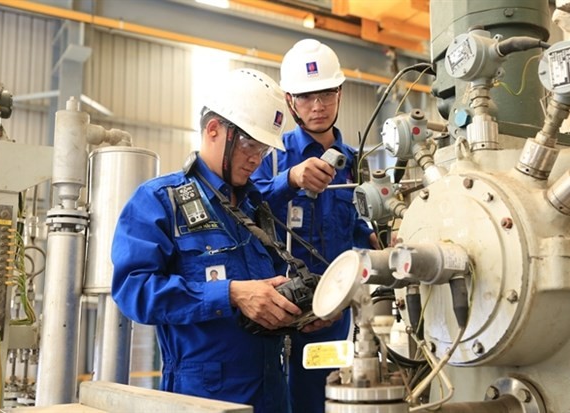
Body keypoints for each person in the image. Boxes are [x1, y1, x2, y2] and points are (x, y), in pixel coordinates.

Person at [111, 68, 302, 413]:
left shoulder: (255, 206)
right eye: (249, 145)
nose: (256, 159)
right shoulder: (158, 200)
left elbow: (268, 289)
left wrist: (298, 310)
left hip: (272, 390)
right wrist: (230, 293)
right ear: (214, 130)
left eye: (263, 149)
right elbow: (133, 290)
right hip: (203, 397)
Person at [250, 39, 379, 413]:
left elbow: (355, 222)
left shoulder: (356, 162)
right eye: (306, 97)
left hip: (337, 312)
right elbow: (242, 206)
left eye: (325, 94)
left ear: (340, 93)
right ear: (290, 102)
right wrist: (289, 180)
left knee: (327, 400)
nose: (318, 106)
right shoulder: (273, 156)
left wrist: (373, 237)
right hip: (283, 311)